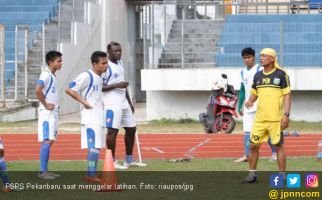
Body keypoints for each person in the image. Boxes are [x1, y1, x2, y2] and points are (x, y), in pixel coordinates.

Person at [242, 48, 291, 183]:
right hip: (260, 119)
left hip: (275, 119)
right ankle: (252, 175)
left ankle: (282, 175)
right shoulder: (258, 76)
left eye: (264, 55)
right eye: (261, 55)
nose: (261, 57)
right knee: (253, 146)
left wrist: (286, 115)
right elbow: (254, 92)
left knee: (278, 146)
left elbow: (287, 96)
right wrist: (250, 101)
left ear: (272, 59)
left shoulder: (282, 74)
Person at [102, 42, 146, 169]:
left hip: (124, 102)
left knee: (131, 129)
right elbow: (100, 87)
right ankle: (112, 161)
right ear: (108, 52)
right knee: (112, 132)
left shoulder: (120, 63)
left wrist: (129, 102)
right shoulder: (106, 67)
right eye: (115, 51)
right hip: (112, 103)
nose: (118, 53)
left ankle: (129, 160)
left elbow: (123, 85)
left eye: (120, 50)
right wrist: (117, 85)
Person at [65, 51, 108, 182]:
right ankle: (91, 174)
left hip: (98, 115)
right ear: (95, 64)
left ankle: (91, 173)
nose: (105, 65)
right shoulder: (86, 75)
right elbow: (69, 89)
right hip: (90, 117)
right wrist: (84, 102)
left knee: (95, 147)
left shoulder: (100, 77)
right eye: (103, 63)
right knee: (95, 146)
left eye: (106, 63)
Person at [235, 47, 278, 163]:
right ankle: (247, 155)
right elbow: (243, 90)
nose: (247, 60)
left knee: (268, 132)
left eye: (249, 57)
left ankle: (274, 153)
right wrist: (240, 105)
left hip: (261, 106)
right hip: (248, 107)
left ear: (253, 57)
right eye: (244, 58)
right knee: (247, 132)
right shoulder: (242, 72)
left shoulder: (260, 69)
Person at [35, 51, 62, 179]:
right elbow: (37, 89)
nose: (61, 63)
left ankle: (45, 170)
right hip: (47, 113)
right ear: (50, 62)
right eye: (59, 61)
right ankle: (42, 172)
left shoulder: (52, 75)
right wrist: (45, 105)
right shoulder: (46, 74)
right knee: (47, 140)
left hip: (53, 112)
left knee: (50, 141)